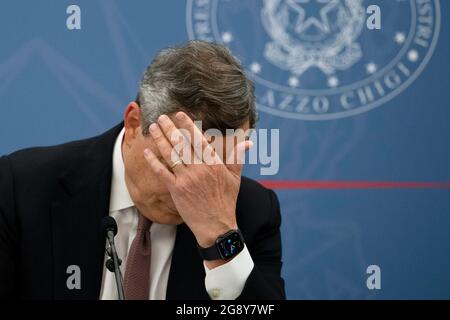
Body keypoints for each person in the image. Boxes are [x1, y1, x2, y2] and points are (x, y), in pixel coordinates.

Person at [0, 41, 285, 300]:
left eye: (216, 168)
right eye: (180, 160)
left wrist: (221, 237)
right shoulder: (22, 188)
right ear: (134, 123)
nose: (191, 187)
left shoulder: (252, 211)